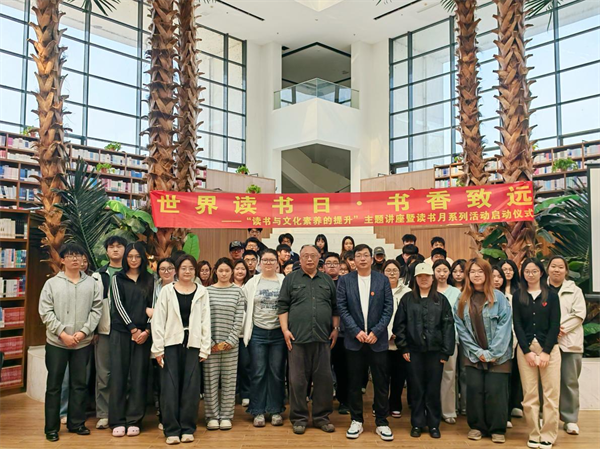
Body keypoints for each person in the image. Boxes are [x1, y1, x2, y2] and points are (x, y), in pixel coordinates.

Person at [39, 243, 103, 442]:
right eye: (70, 255)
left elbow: (97, 310)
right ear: (62, 260)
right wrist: (62, 334)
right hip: (57, 343)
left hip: (81, 343)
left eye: (78, 255)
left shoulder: (92, 283)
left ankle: (77, 423)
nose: (75, 259)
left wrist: (83, 332)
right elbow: (45, 311)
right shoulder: (52, 284)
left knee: (79, 384)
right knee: (54, 386)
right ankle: (51, 428)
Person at [277, 244, 339, 435]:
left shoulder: (327, 280)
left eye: (313, 255)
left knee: (324, 380)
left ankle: (322, 417)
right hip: (297, 338)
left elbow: (335, 307)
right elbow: (282, 305)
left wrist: (335, 328)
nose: (309, 259)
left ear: (319, 258)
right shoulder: (290, 279)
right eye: (305, 256)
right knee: (297, 381)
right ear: (300, 258)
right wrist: (285, 330)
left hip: (323, 338)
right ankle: (299, 418)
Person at [151, 255, 211, 445]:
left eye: (191, 268)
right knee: (169, 387)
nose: (187, 271)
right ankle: (171, 430)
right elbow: (158, 321)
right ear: (177, 270)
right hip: (170, 344)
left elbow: (206, 320)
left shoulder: (202, 291)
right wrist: (158, 348)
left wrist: (205, 348)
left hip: (193, 344)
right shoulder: (167, 291)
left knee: (191, 388)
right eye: (184, 268)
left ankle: (187, 428)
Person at [337, 244, 394, 441]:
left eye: (366, 255)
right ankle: (356, 420)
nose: (362, 259)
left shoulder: (382, 279)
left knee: (380, 383)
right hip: (355, 341)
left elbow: (388, 308)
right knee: (354, 382)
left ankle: (382, 422)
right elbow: (342, 308)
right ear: (353, 260)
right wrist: (356, 331)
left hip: (377, 341)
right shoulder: (345, 280)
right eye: (358, 255)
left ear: (371, 259)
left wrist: (376, 331)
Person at [454, 258, 513, 444]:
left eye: (480, 271)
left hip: (499, 356)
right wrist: (477, 352)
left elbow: (505, 327)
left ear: (487, 274)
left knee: (496, 392)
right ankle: (476, 427)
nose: (476, 275)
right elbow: (461, 329)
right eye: (472, 272)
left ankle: (497, 429)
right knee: (475, 391)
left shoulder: (499, 298)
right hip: (473, 355)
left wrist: (492, 353)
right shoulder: (461, 299)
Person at [393, 263, 455, 439]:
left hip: (435, 353)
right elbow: (400, 325)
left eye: (427, 276)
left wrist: (445, 352)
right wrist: (404, 347)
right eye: (420, 276)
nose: (424, 279)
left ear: (432, 278)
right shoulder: (407, 299)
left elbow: (448, 326)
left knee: (433, 389)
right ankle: (417, 423)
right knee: (416, 388)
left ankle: (434, 424)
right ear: (415, 279)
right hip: (413, 352)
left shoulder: (441, 300)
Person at [513, 258, 561, 449]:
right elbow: (517, 324)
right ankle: (534, 433)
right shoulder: (518, 295)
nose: (530, 274)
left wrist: (546, 352)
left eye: (534, 271)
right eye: (527, 271)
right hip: (526, 350)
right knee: (530, 395)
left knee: (550, 395)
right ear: (523, 274)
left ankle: (548, 435)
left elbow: (555, 325)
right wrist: (526, 352)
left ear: (541, 273)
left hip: (549, 349)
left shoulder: (552, 296)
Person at [109, 241, 155, 437]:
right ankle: (117, 420)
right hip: (121, 333)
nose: (134, 260)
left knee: (138, 376)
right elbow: (118, 305)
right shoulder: (117, 278)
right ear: (125, 258)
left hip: (143, 335)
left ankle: (134, 419)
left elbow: (153, 306)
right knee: (119, 375)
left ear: (142, 258)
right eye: (130, 256)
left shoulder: (150, 279)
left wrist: (146, 331)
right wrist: (133, 329)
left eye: (137, 256)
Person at [241, 249, 286, 427]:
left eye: (272, 260)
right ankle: (258, 410)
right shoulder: (252, 282)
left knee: (276, 372)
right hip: (258, 332)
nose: (268, 263)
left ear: (277, 263)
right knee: (258, 372)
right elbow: (244, 306)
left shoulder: (284, 280)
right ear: (260, 263)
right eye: (265, 260)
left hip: (278, 333)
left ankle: (275, 410)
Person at [205, 258, 245, 431]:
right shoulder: (206, 291)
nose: (223, 274)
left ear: (232, 272)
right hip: (211, 344)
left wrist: (231, 340)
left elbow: (239, 318)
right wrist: (211, 341)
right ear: (215, 271)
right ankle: (212, 416)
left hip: (231, 344)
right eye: (220, 270)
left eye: (227, 271)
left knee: (229, 381)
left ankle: (227, 416)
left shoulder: (238, 292)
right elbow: (203, 317)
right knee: (210, 381)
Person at [547, 256, 586, 436]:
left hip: (570, 342)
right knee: (546, 382)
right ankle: (546, 417)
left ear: (566, 271)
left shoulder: (575, 290)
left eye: (560, 267)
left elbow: (579, 315)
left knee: (570, 381)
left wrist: (558, 329)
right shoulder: (541, 288)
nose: (556, 270)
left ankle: (570, 420)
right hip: (546, 342)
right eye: (553, 266)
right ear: (548, 269)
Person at [92, 235, 127, 430]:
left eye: (119, 246)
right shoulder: (98, 275)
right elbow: (93, 304)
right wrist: (94, 330)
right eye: (111, 247)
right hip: (105, 330)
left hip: (127, 330)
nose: (115, 249)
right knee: (104, 374)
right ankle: (104, 413)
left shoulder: (131, 273)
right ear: (106, 251)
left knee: (126, 373)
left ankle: (124, 412)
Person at [433, 259, 462, 425]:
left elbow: (459, 318)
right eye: (438, 270)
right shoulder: (429, 291)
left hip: (450, 339)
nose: (442, 274)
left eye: (445, 270)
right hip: (431, 341)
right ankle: (432, 409)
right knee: (431, 376)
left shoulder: (456, 293)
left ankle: (448, 410)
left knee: (449, 374)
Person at [149, 257, 176, 431]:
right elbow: (146, 309)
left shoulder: (180, 286)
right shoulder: (153, 287)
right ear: (158, 271)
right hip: (156, 337)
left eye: (170, 268)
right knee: (159, 379)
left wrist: (155, 312)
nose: (166, 272)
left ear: (175, 270)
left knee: (173, 378)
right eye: (162, 269)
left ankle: (174, 414)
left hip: (174, 337)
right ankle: (162, 414)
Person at [382, 260, 411, 420]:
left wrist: (399, 334)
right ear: (383, 272)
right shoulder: (378, 289)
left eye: (395, 270)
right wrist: (387, 333)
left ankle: (395, 404)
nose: (392, 273)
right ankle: (381, 405)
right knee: (382, 376)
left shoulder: (407, 292)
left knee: (399, 376)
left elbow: (411, 317)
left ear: (400, 273)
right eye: (388, 270)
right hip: (382, 340)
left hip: (401, 341)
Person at [323, 252, 348, 414]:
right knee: (323, 370)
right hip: (323, 333)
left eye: (335, 263)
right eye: (328, 263)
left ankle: (344, 400)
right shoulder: (319, 282)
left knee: (342, 369)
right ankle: (324, 402)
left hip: (343, 334)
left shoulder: (346, 283)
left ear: (340, 266)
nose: (332, 265)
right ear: (323, 266)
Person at [232, 259, 252, 408]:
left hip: (246, 334)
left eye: (242, 269)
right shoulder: (228, 287)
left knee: (245, 365)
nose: (240, 271)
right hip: (230, 333)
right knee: (231, 367)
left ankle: (246, 393)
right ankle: (232, 393)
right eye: (237, 268)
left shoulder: (250, 286)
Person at [449, 258, 468, 414]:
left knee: (465, 371)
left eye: (461, 271)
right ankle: (453, 405)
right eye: (454, 271)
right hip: (452, 335)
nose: (458, 274)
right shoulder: (447, 290)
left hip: (467, 336)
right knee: (452, 372)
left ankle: (465, 405)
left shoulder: (471, 290)